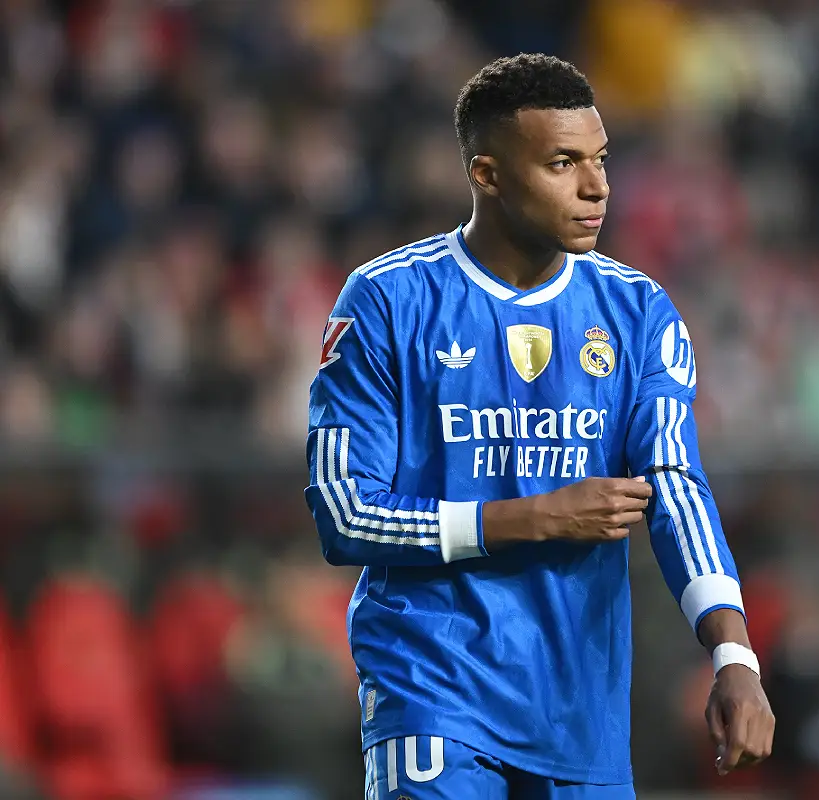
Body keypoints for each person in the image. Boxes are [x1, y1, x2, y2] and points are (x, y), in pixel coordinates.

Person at [304, 53, 773, 799]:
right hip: (433, 689)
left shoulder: (637, 313)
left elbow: (676, 487)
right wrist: (533, 519)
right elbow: (344, 513)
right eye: (563, 164)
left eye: (601, 160)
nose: (597, 188)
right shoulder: (388, 301)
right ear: (486, 174)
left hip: (577, 710)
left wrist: (734, 657)